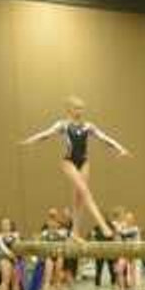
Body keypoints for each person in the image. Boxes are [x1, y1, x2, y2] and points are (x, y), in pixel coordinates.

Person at [20, 96, 131, 239]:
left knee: (79, 200)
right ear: (69, 109)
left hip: (84, 162)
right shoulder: (63, 125)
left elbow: (104, 138)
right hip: (69, 162)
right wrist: (30, 140)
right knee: (85, 191)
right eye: (77, 108)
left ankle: (75, 232)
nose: (80, 110)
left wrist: (120, 148)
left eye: (82, 108)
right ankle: (103, 225)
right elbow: (46, 134)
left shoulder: (88, 126)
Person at [39, 208, 68, 290]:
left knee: (58, 277)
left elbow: (66, 242)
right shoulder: (44, 233)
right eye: (51, 222)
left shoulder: (62, 232)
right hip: (49, 256)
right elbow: (40, 245)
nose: (53, 223)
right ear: (47, 223)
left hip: (59, 255)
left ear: (58, 223)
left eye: (55, 222)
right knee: (47, 278)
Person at [0, 218, 22, 290]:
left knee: (15, 282)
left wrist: (16, 257)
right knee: (5, 280)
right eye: (3, 224)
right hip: (5, 259)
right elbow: (3, 248)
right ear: (1, 226)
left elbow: (19, 246)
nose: (5, 226)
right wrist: (11, 255)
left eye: (7, 224)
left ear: (11, 225)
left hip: (16, 259)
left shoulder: (16, 235)